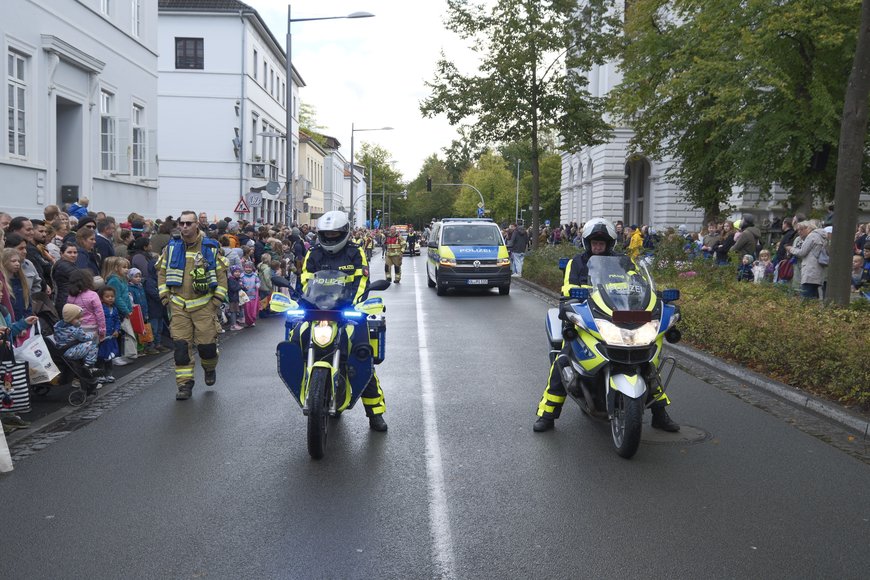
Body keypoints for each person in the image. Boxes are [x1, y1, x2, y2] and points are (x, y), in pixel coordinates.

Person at [533, 218, 680, 433]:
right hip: (586, 317)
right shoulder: (577, 262)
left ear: (609, 244)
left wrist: (652, 297)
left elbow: (638, 285)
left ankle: (659, 414)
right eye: (594, 242)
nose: (598, 246)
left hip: (615, 317)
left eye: (602, 243)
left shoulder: (623, 262)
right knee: (563, 359)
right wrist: (573, 298)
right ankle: (547, 414)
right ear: (587, 243)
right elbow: (568, 289)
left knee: (647, 366)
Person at [297, 211, 388, 432]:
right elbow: (305, 279)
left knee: (361, 356)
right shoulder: (314, 253)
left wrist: (354, 303)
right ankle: (309, 386)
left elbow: (362, 280)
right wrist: (302, 301)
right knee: (296, 338)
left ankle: (375, 413)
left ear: (344, 233)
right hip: (318, 311)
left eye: (334, 234)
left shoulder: (355, 252)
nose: (330, 237)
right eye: (325, 234)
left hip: (347, 311)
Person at [157, 210, 228, 400]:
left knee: (207, 348)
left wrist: (216, 301)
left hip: (204, 306)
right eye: (182, 223)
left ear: (197, 225)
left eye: (189, 223)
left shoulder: (210, 248)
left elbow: (221, 277)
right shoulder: (171, 248)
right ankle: (185, 385)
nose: (185, 227)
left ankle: (209, 368)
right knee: (181, 349)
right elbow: (162, 273)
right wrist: (165, 297)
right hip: (179, 306)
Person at [53, 304, 100, 375]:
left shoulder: (58, 326)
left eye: (81, 317)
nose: (81, 319)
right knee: (92, 344)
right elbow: (85, 338)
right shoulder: (76, 330)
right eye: (78, 318)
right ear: (70, 318)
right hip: (71, 351)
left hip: (62, 350)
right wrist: (93, 334)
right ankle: (89, 365)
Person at [788, 220, 828, 300]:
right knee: (814, 297)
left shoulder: (812, 236)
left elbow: (802, 252)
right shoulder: (822, 236)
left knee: (806, 298)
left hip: (809, 271)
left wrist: (791, 249)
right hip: (817, 270)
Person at [239, 260, 260, 327]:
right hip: (245, 296)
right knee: (247, 310)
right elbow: (240, 283)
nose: (248, 269)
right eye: (246, 267)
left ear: (252, 268)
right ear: (244, 268)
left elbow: (258, 281)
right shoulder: (242, 276)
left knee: (253, 309)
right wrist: (242, 286)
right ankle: (248, 321)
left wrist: (257, 285)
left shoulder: (255, 275)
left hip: (253, 295)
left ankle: (252, 320)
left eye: (249, 267)